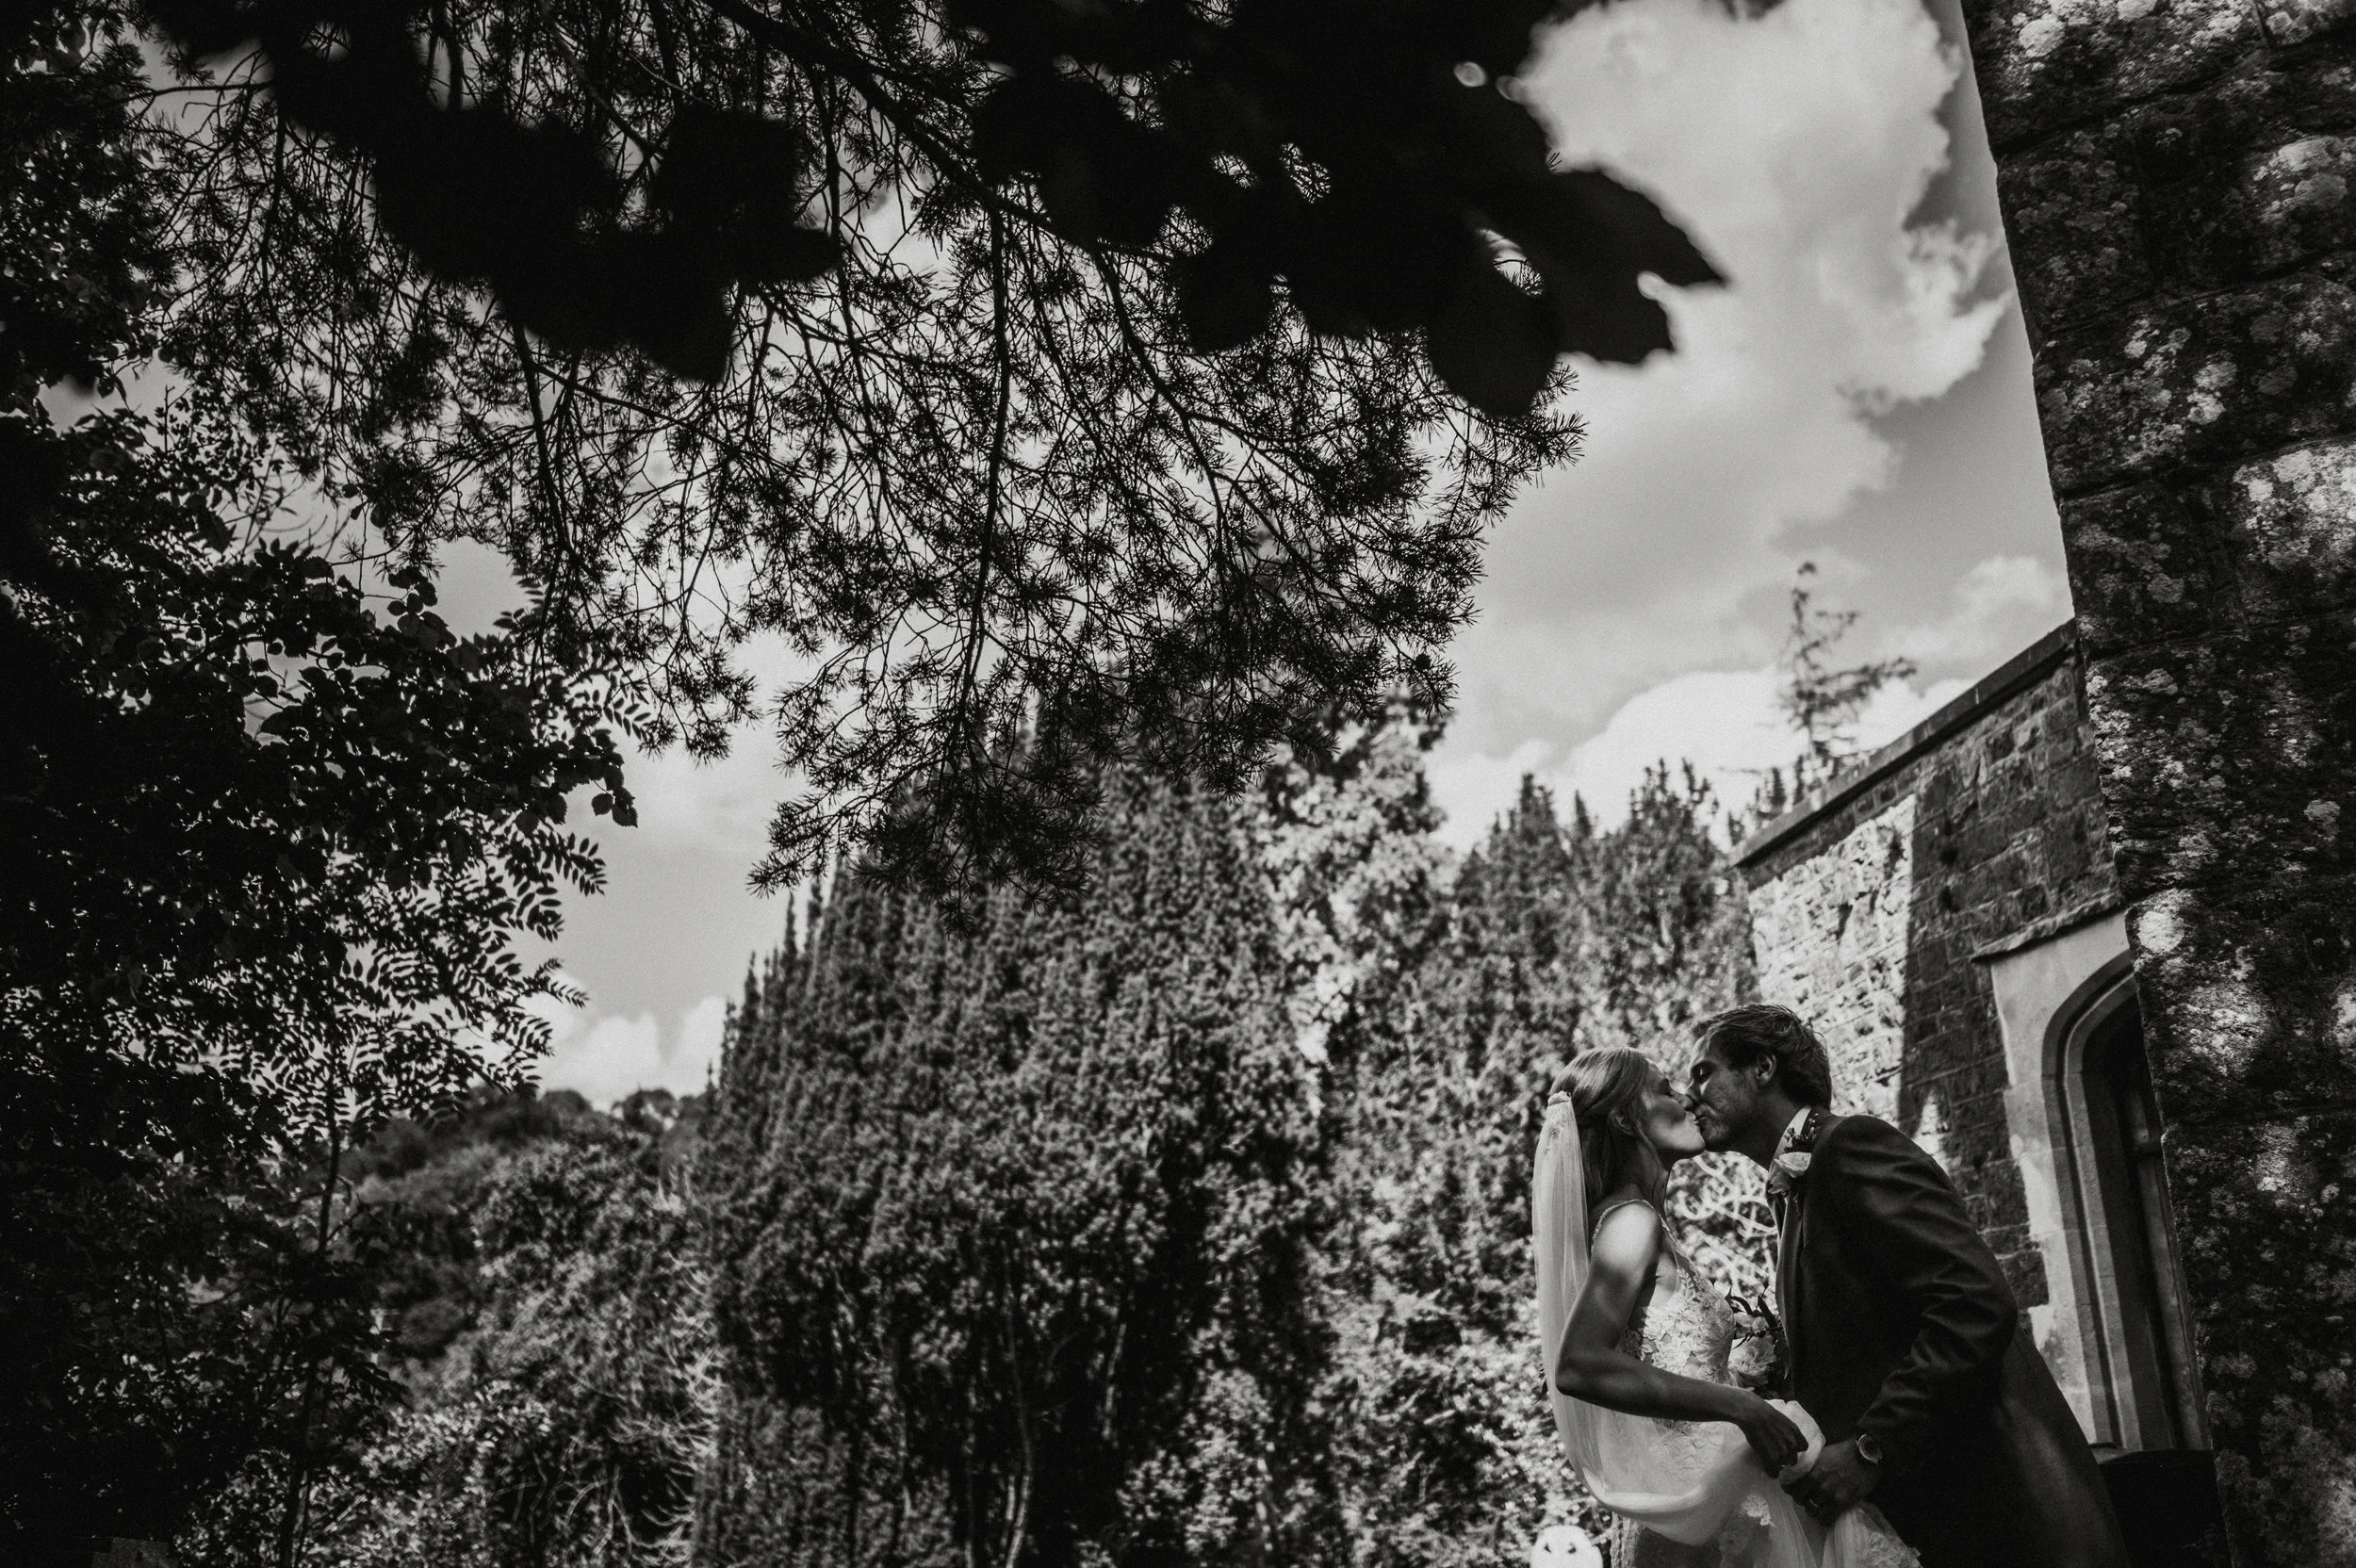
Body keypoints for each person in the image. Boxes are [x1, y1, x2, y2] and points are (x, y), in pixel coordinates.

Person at [1685, 1004, 2131, 1568]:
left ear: (1763, 1068)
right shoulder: (1797, 1186)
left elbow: (1975, 1303)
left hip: (1999, 1506)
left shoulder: (1851, 1147)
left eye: (1703, 1072)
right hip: (1937, 1516)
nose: (1690, 1095)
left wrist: (1871, 1448)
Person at [1532, 1047, 1916, 1568]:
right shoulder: (1630, 1223)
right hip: (1705, 1509)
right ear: (1627, 1119)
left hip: (1716, 1493)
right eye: (1666, 1089)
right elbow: (1579, 1365)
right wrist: (1741, 1407)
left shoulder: (1640, 1223)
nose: (1688, 1099)